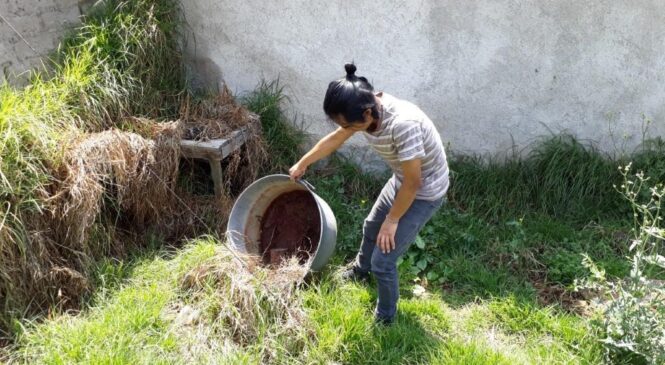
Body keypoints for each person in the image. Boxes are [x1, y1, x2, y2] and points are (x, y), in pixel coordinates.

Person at [289, 63, 449, 325]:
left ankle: (386, 317)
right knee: (371, 226)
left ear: (367, 113)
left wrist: (393, 219)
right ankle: (359, 271)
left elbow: (413, 182)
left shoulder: (403, 125)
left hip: (423, 190)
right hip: (402, 179)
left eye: (348, 124)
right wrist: (304, 162)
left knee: (384, 261)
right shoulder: (365, 106)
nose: (345, 128)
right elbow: (335, 138)